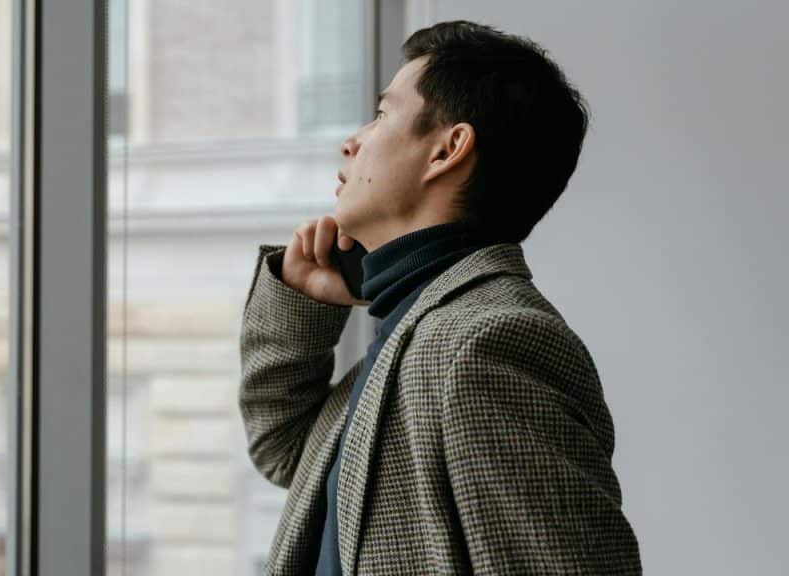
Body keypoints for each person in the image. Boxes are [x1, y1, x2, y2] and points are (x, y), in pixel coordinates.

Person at [239, 19, 642, 576]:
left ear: (447, 150)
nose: (350, 141)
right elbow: (282, 451)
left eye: (382, 115)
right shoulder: (415, 329)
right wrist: (301, 303)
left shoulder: (488, 341)